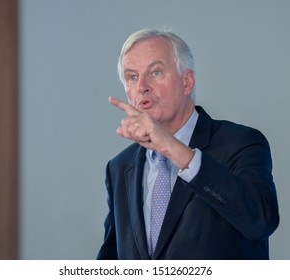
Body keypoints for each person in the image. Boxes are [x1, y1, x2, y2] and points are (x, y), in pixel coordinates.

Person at [97, 29, 279, 260]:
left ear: (187, 82)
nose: (142, 86)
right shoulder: (120, 167)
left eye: (155, 72)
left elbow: (259, 221)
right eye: (132, 77)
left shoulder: (241, 143)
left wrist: (174, 150)